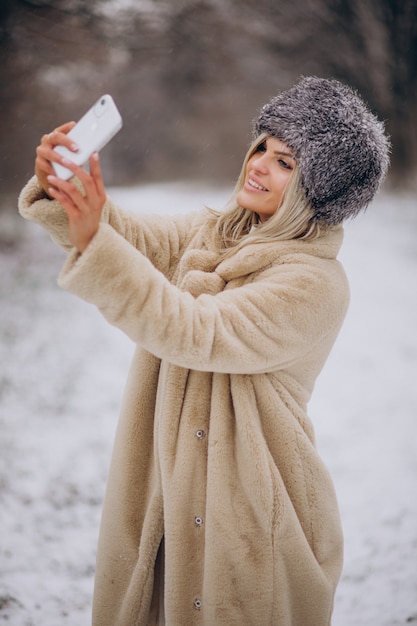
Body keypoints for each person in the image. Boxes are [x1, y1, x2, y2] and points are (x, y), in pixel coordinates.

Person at [18, 76, 390, 626]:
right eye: (262, 146)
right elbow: (131, 237)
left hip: (251, 516)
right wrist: (63, 191)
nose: (258, 164)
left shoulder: (313, 283)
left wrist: (96, 239)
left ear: (320, 188)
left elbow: (195, 331)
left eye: (286, 162)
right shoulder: (211, 233)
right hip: (164, 492)